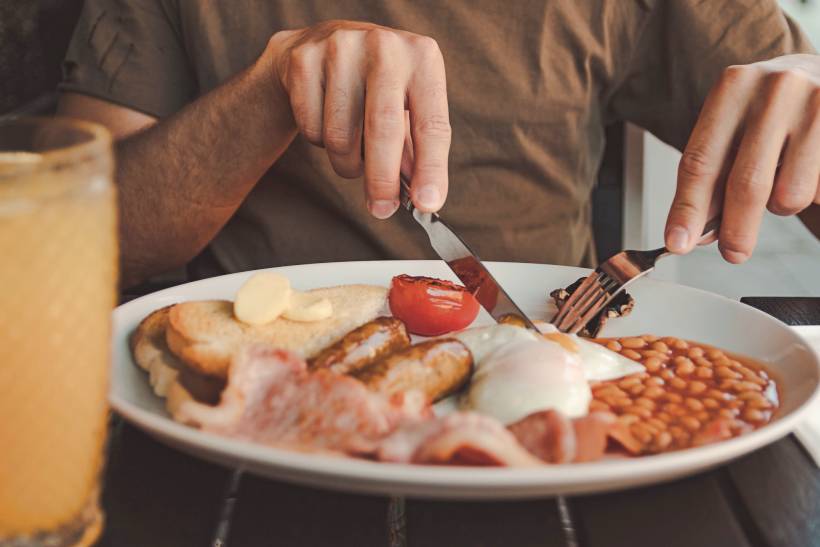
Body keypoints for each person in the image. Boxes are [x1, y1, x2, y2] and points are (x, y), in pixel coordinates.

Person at [57, 1, 820, 289]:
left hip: (548, 411)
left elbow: (796, 126)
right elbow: (70, 245)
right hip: (242, 438)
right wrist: (268, 91)